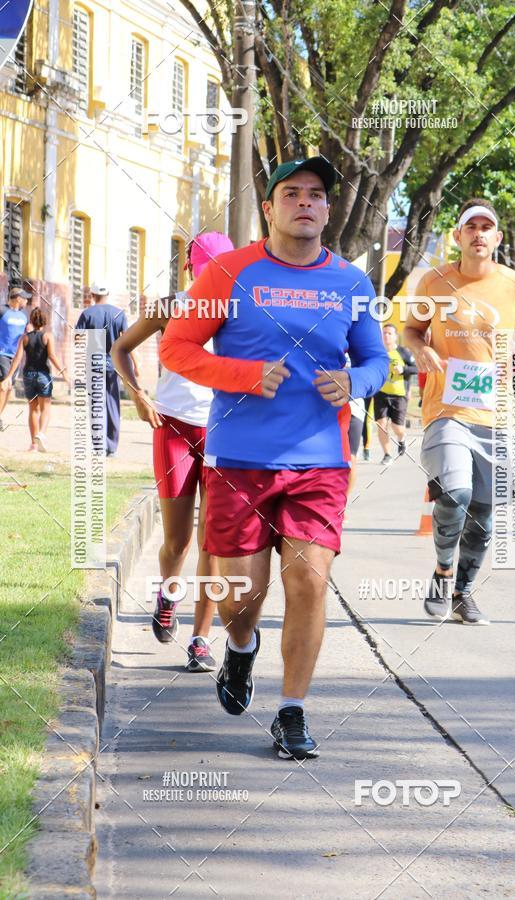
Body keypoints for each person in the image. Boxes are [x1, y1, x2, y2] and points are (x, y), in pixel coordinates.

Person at [160, 157, 388, 760]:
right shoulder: (230, 273)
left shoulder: (351, 283)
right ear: (270, 207)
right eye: (292, 193)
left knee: (309, 582)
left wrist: (356, 382)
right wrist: (241, 375)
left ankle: (292, 711)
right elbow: (177, 348)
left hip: (320, 461)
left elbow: (376, 361)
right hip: (239, 459)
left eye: (317, 194)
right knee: (241, 599)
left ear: (329, 210)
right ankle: (239, 649)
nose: (306, 203)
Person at [404, 198, 515, 626]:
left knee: (483, 511)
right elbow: (412, 330)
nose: (479, 233)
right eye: (471, 227)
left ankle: (464, 592)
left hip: (498, 414)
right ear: (458, 236)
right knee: (456, 492)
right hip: (447, 410)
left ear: (497, 238)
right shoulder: (434, 281)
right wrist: (423, 348)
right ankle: (443, 571)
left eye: (487, 227)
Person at [112, 233, 234, 673]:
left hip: (225, 434)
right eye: (206, 272)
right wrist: (139, 395)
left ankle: (201, 638)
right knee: (177, 540)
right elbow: (120, 348)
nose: (213, 282)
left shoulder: (243, 310)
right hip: (174, 428)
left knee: (214, 540)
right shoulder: (168, 308)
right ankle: (168, 591)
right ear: (189, 270)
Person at [0, 307, 69, 450]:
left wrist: (8, 376)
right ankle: (41, 434)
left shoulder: (24, 337)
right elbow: (51, 356)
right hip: (43, 375)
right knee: (46, 408)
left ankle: (33, 444)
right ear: (45, 321)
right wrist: (63, 372)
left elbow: (17, 358)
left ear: (31, 320)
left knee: (33, 409)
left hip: (28, 376)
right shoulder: (47, 336)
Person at [75, 283, 130, 456]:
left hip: (94, 364)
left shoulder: (86, 314)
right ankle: (112, 447)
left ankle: (98, 446)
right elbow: (127, 340)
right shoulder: (119, 314)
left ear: (92, 294)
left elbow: (77, 339)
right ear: (108, 293)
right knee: (112, 403)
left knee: (97, 405)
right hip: (114, 364)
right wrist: (134, 364)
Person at [374, 323, 410, 463]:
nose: (386, 335)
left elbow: (416, 368)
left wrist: (404, 369)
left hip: (399, 394)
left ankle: (402, 439)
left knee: (397, 427)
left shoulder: (403, 352)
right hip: (380, 393)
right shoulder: (378, 352)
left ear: (395, 336)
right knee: (381, 424)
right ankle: (387, 454)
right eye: (384, 333)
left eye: (390, 333)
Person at [0, 287, 30, 430]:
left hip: (16, 357)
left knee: (9, 387)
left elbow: (28, 332)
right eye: (24, 298)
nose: (26, 300)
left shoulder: (24, 315)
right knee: (4, 386)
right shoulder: (2, 310)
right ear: (18, 298)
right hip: (2, 354)